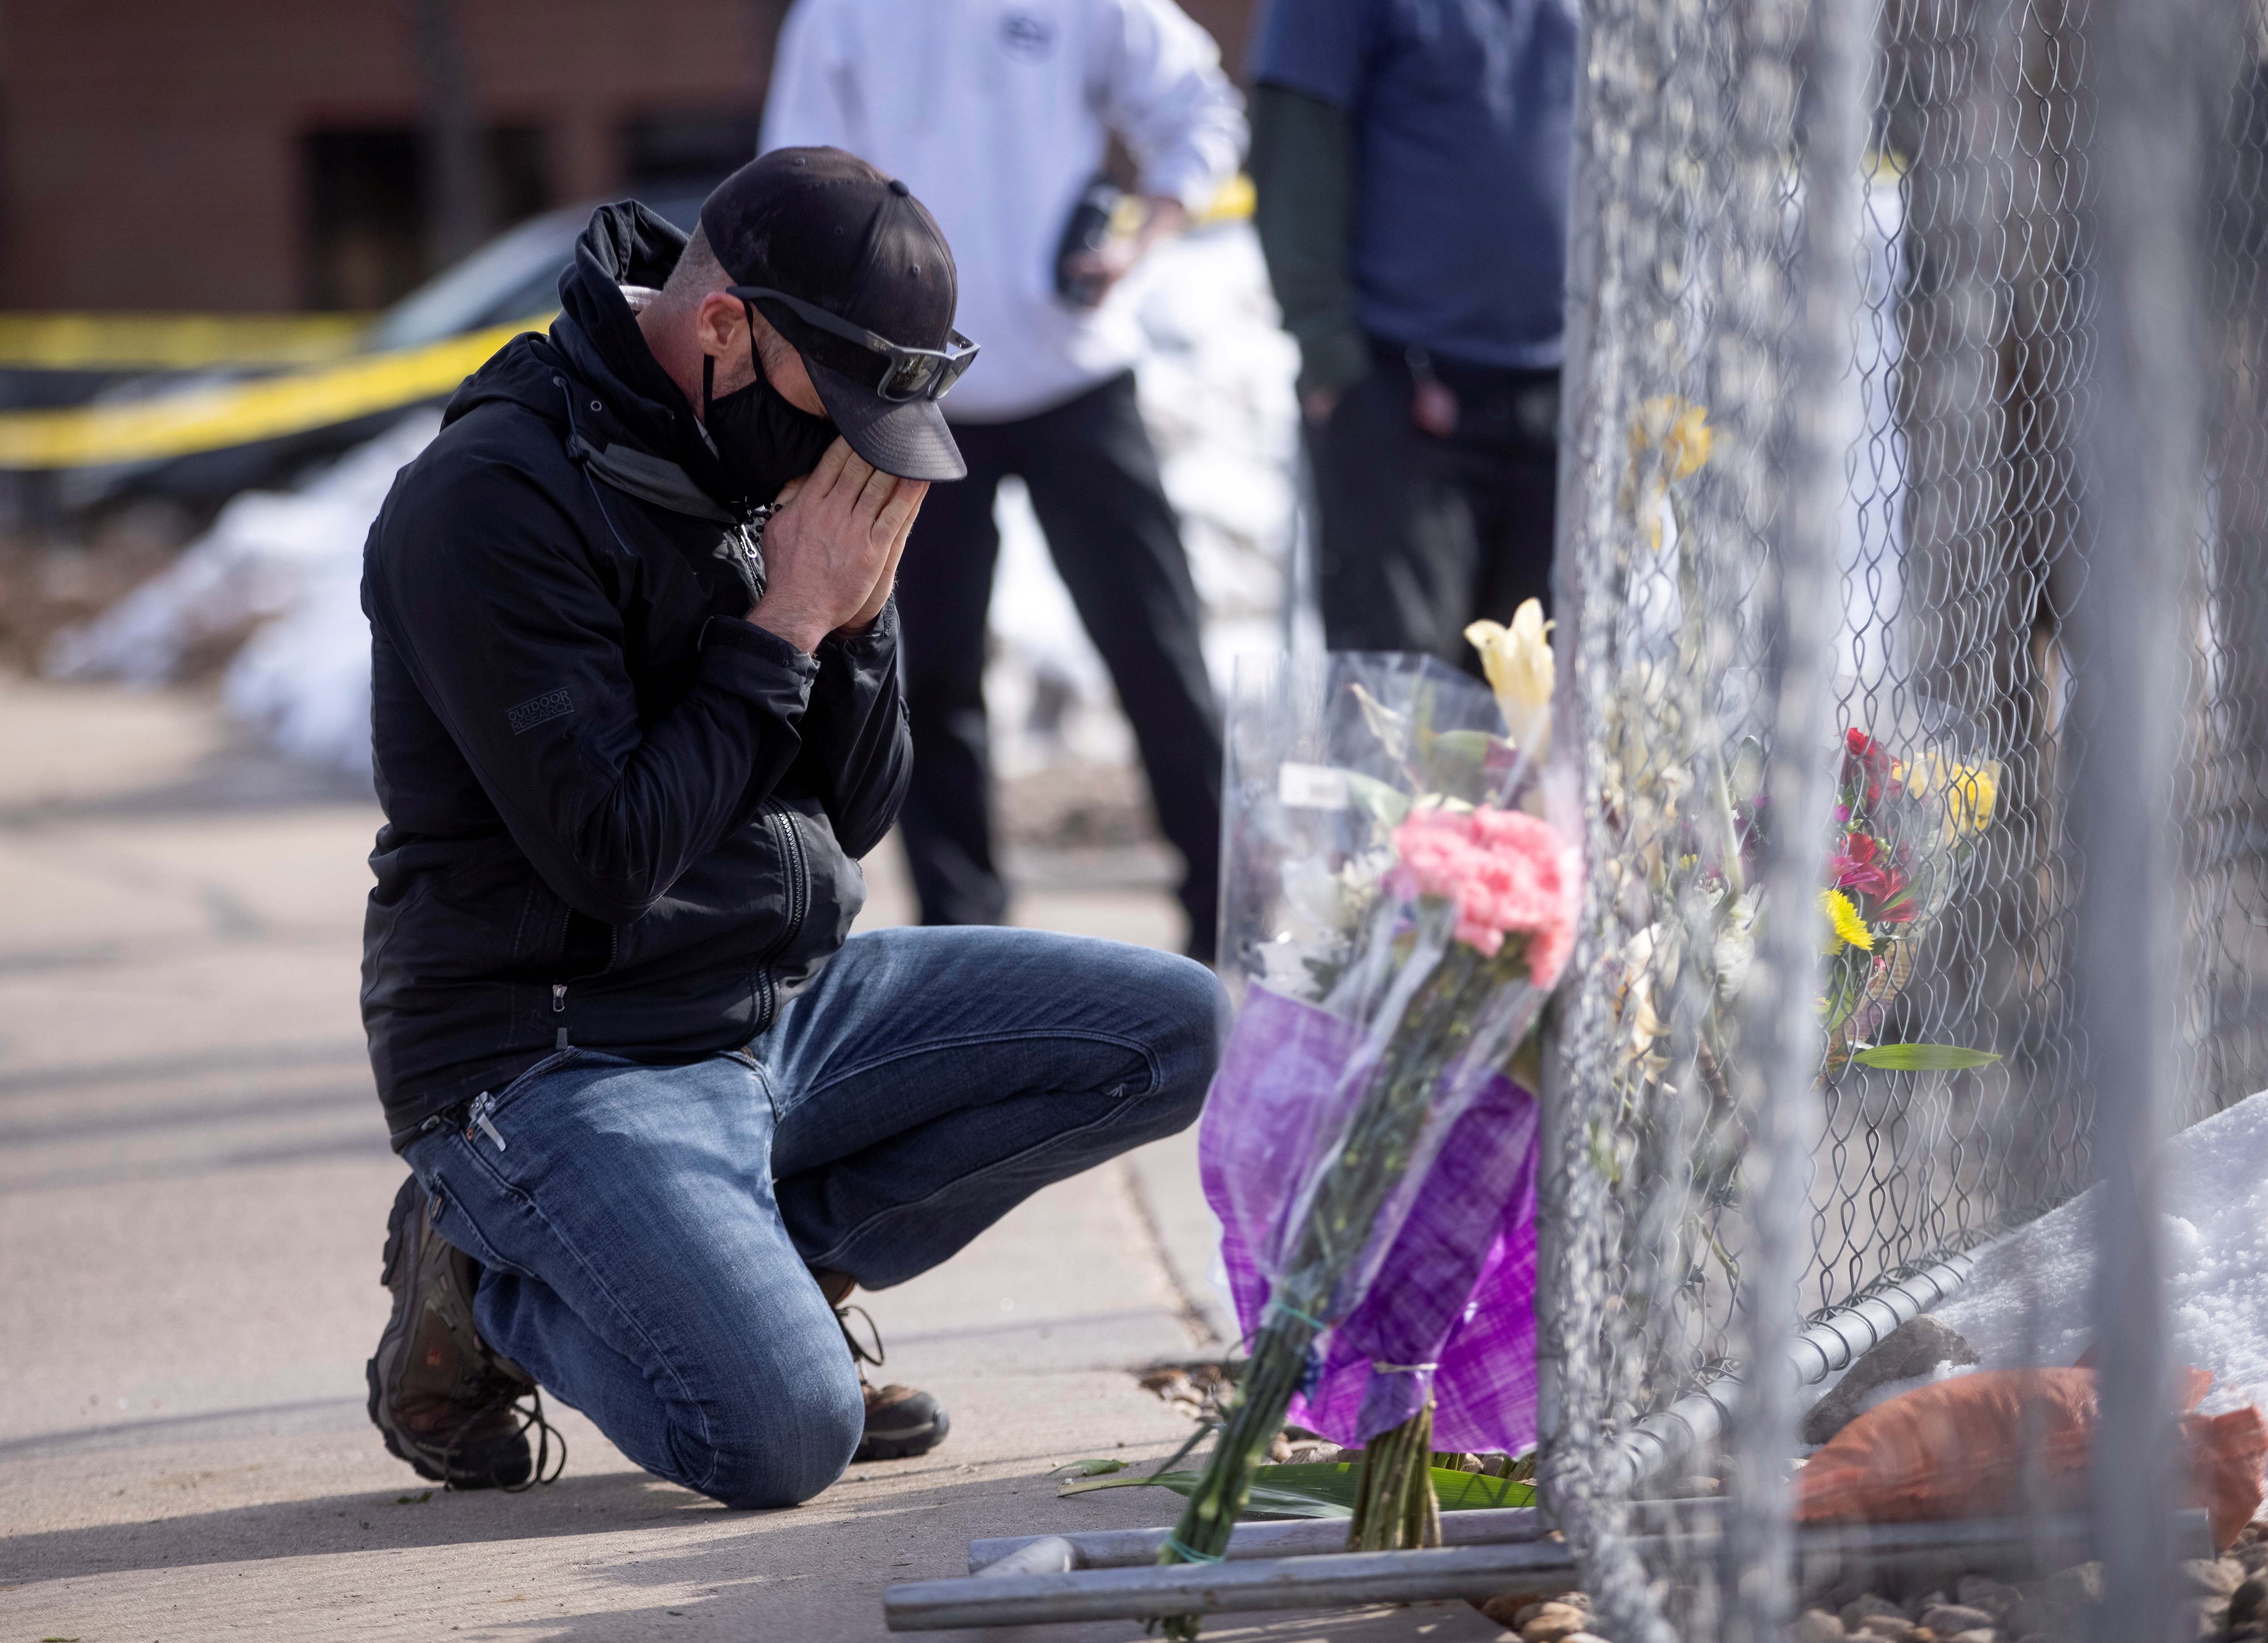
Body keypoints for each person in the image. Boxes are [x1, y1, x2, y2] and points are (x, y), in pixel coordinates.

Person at [358, 148, 1224, 1503]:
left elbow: (861, 808)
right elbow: (609, 852)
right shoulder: (491, 500)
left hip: (778, 1006)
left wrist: (860, 618)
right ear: (722, 326)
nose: (849, 458)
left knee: (1171, 1028)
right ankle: (485, 1278)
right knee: (776, 1436)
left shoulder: (752, 449)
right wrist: (786, 623)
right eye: (841, 408)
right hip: (560, 1049)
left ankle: (759, 1259)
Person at [760, 0, 1247, 962]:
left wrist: (1143, 233)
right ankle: (966, 938)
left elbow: (1201, 108)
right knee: (924, 677)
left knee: (1158, 653)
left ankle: (1226, 912)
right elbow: (796, 183)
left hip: (1077, 375)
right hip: (911, 391)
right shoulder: (840, 14)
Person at [1248, 0, 1578, 666]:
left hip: (1564, 399)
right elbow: (1296, 147)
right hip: (1401, 392)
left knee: (1534, 724)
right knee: (1404, 711)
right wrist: (1327, 352)